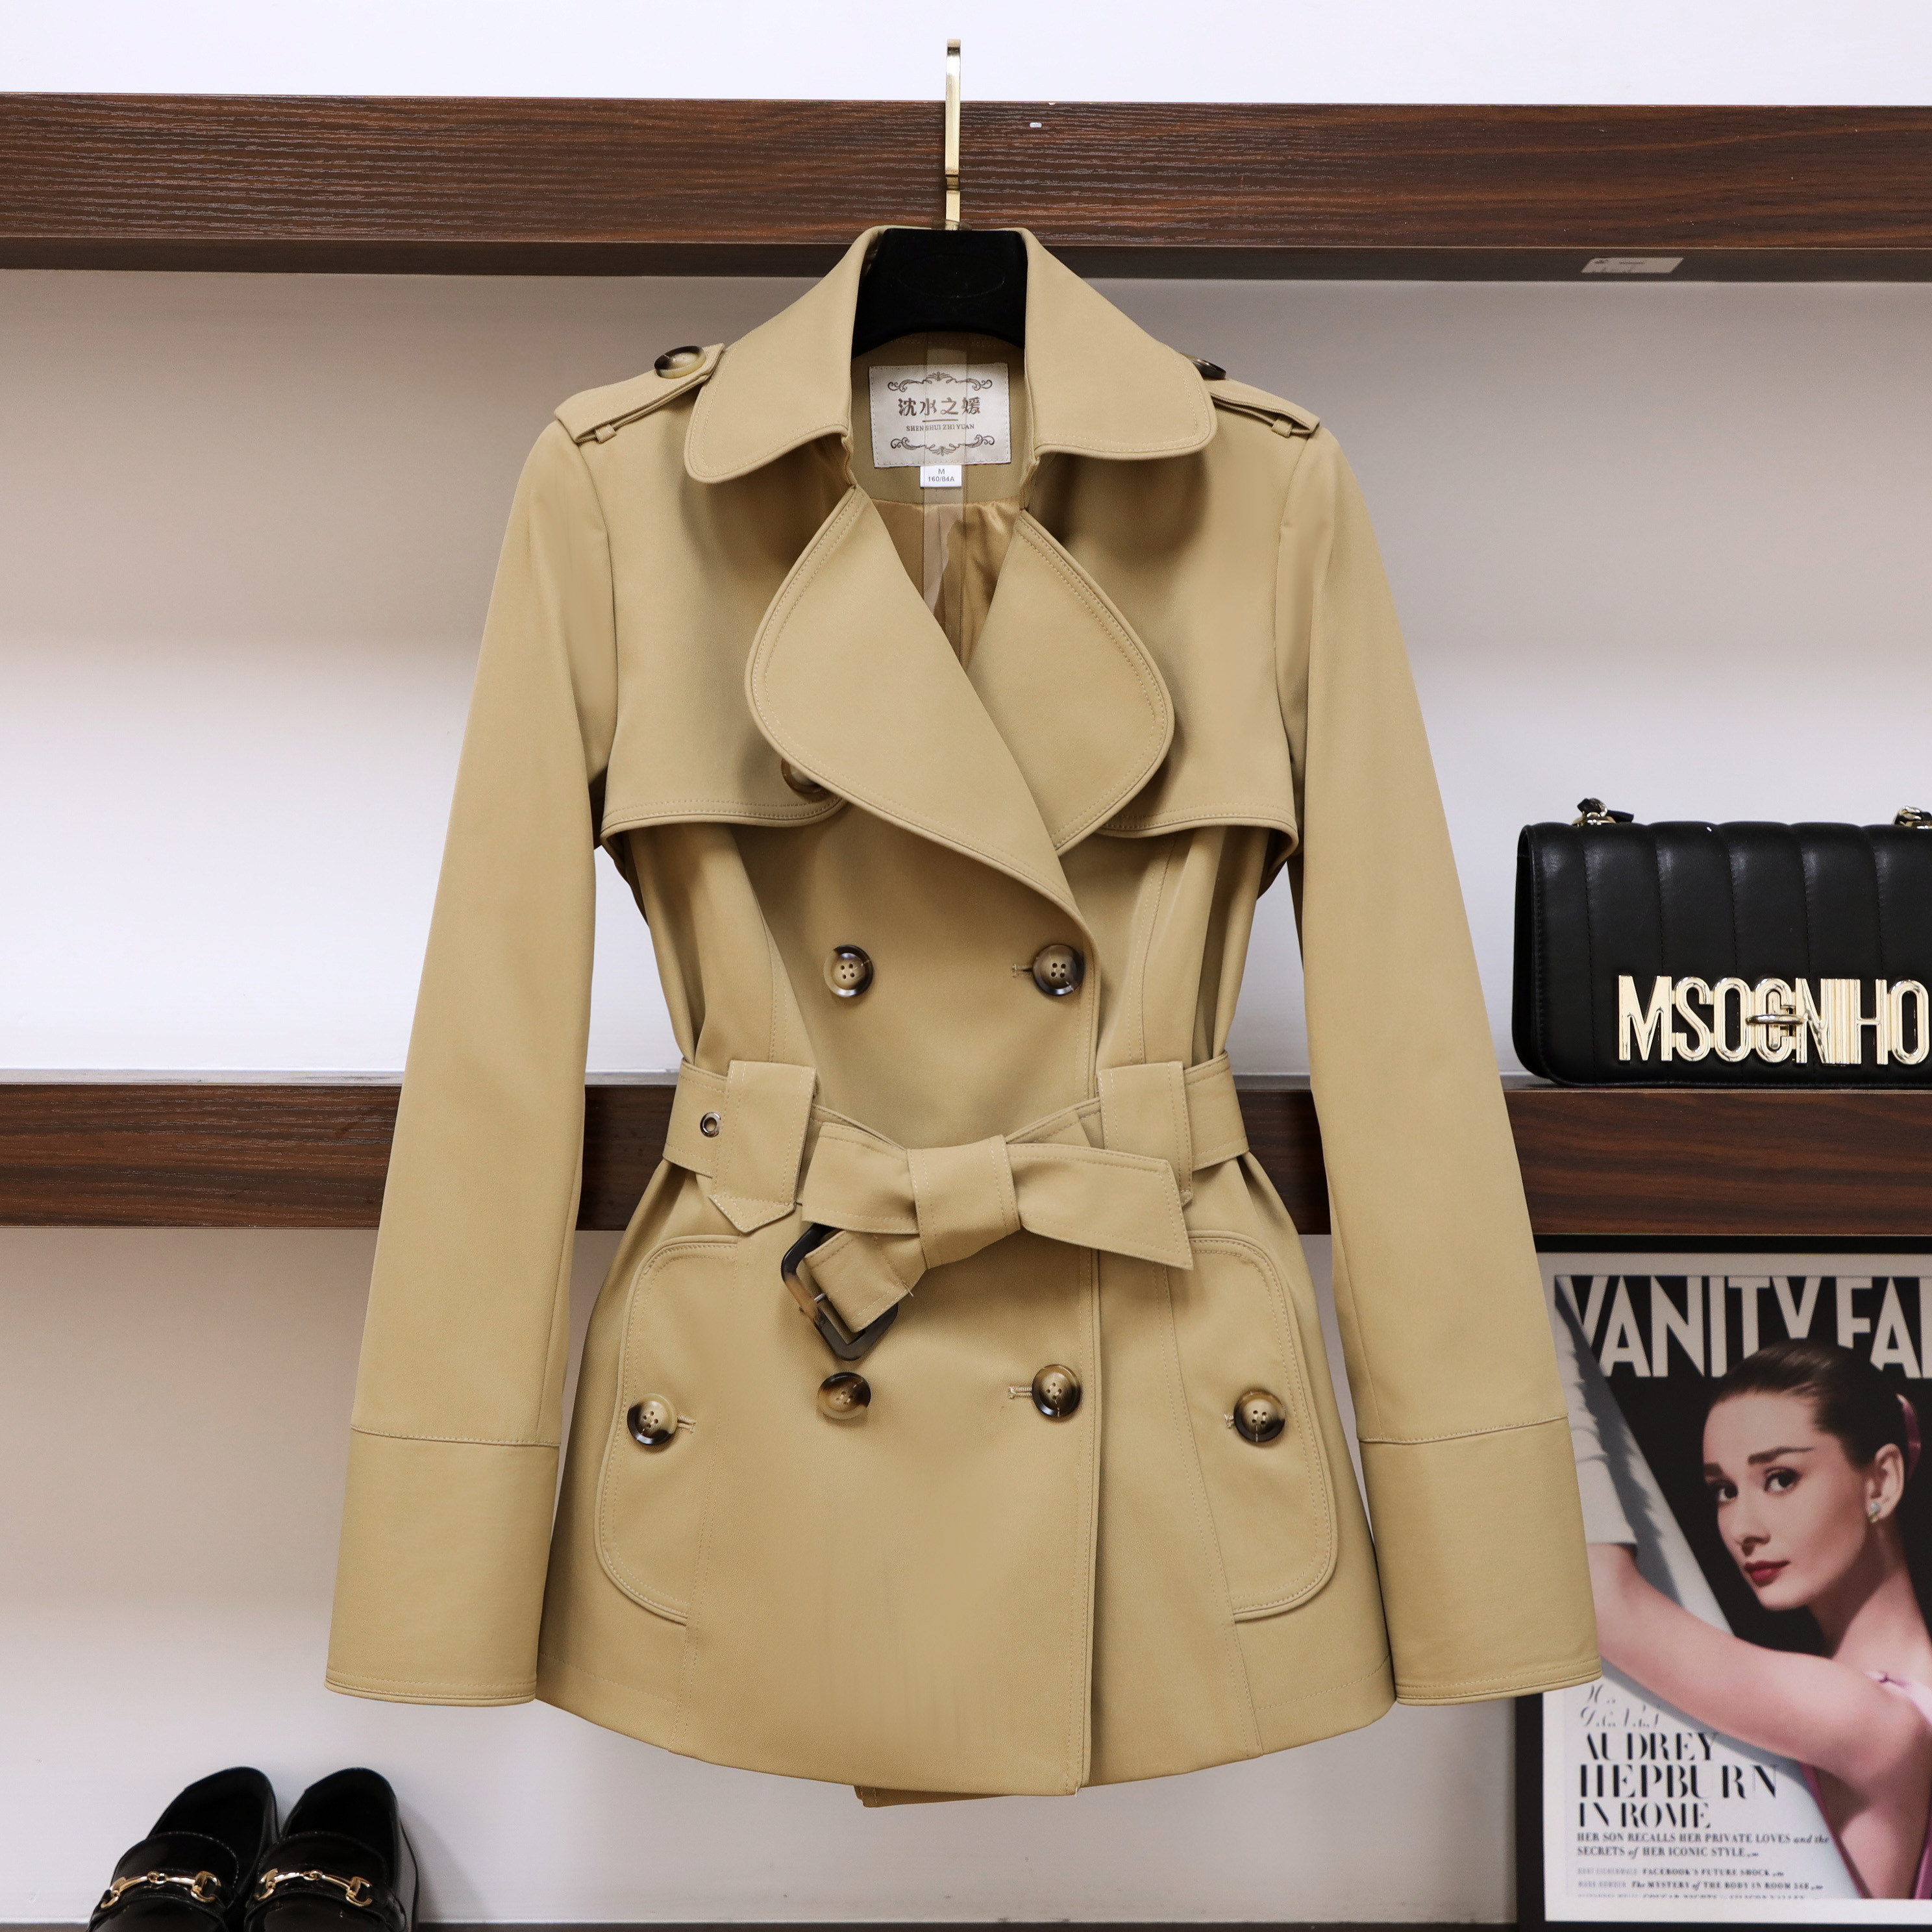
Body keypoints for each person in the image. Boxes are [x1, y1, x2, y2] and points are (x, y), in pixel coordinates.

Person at [1587, 1339, 1932, 1900]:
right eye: (1724, 1491)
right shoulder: (1886, 1700)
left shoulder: (1866, 1715)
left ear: (1882, 1481)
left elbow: (1604, 1598)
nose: (1743, 1528)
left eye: (1781, 1478)